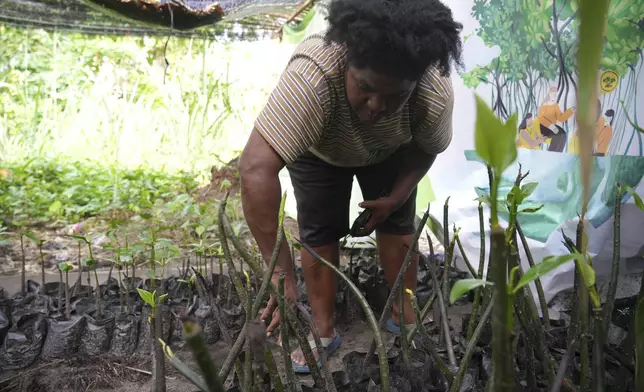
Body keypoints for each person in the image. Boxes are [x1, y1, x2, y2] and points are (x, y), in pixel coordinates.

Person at [238, 0, 463, 374]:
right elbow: (255, 168)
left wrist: (397, 196)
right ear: (348, 65)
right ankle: (323, 331)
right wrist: (280, 275)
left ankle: (402, 313)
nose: (376, 106)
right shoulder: (314, 74)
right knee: (319, 229)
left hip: (394, 148)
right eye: (365, 88)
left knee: (398, 225)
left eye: (394, 96)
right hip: (320, 148)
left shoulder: (432, 92)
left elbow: (428, 148)